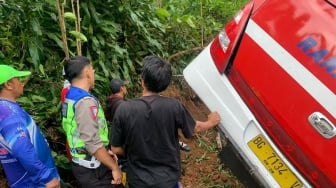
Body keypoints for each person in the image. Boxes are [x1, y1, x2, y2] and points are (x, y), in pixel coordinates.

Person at [110, 55, 221, 188]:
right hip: (167, 180)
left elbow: (115, 148)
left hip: (139, 181)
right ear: (166, 84)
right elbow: (193, 129)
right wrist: (211, 122)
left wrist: (133, 151)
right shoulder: (174, 106)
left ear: (142, 81)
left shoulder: (124, 109)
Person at [61, 56, 123, 188]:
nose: (94, 73)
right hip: (94, 169)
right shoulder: (84, 102)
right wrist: (114, 167)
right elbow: (92, 143)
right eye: (93, 70)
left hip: (85, 162)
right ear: (88, 72)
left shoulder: (71, 96)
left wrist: (105, 151)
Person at [0, 64, 61, 188]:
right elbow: (21, 148)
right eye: (18, 79)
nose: (22, 83)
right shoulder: (9, 114)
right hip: (34, 182)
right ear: (8, 84)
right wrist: (46, 177)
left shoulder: (5, 109)